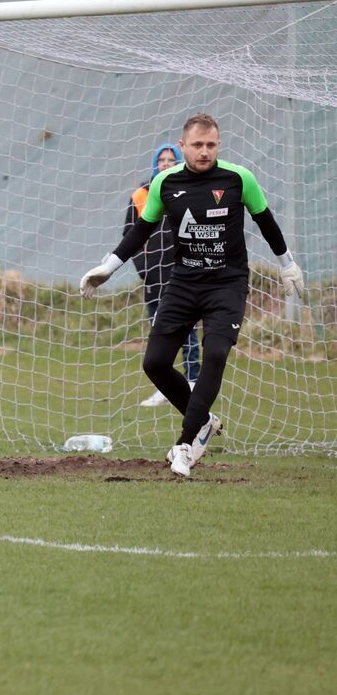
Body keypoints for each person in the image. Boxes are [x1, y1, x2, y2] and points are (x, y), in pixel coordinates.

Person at [81, 113, 305, 477]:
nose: (204, 152)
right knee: (154, 363)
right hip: (183, 283)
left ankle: (186, 445)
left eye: (211, 145)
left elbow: (266, 221)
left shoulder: (239, 179)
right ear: (182, 146)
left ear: (219, 145)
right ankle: (203, 421)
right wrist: (108, 267)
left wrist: (287, 264)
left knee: (214, 353)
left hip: (227, 284)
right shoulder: (165, 183)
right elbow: (141, 231)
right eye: (197, 145)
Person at [127, 143, 201, 407]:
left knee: (188, 331)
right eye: (162, 160)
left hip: (184, 276)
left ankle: (193, 380)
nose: (166, 163)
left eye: (172, 159)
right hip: (154, 278)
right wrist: (145, 270)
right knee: (159, 333)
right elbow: (130, 236)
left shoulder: (190, 191)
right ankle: (165, 387)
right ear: (155, 164)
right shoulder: (140, 195)